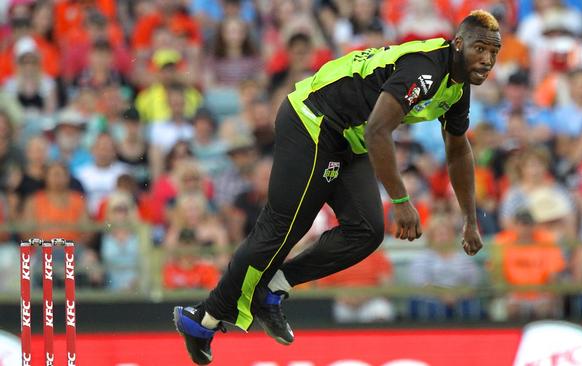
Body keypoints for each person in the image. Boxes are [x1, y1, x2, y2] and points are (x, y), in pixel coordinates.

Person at [174, 10, 500, 365]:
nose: (487, 60)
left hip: (349, 137)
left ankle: (272, 290)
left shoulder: (457, 85)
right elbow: (378, 130)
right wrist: (401, 200)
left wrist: (470, 217)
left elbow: (458, 150)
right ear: (457, 44)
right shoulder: (425, 70)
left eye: (493, 53)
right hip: (313, 120)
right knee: (284, 228)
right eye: (479, 49)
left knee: (368, 230)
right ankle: (202, 319)